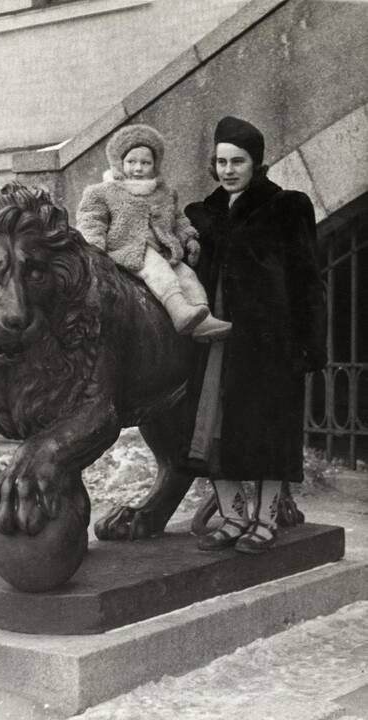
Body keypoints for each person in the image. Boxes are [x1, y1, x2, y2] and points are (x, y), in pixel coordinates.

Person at [185, 116, 326, 554]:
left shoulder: (286, 206)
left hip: (269, 343)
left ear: (256, 163)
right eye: (221, 161)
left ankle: (263, 522)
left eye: (238, 161)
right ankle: (232, 518)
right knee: (212, 430)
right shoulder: (202, 214)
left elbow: (306, 278)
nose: (228, 170)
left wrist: (307, 345)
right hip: (214, 341)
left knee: (268, 429)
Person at [76, 124, 231, 341]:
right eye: (131, 162)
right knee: (157, 270)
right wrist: (95, 251)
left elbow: (178, 219)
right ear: (119, 163)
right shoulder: (102, 192)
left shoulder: (164, 193)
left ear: (155, 165)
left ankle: (202, 319)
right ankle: (179, 310)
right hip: (126, 249)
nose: (138, 168)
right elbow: (91, 222)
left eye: (145, 162)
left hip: (163, 249)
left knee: (187, 275)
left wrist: (189, 238)